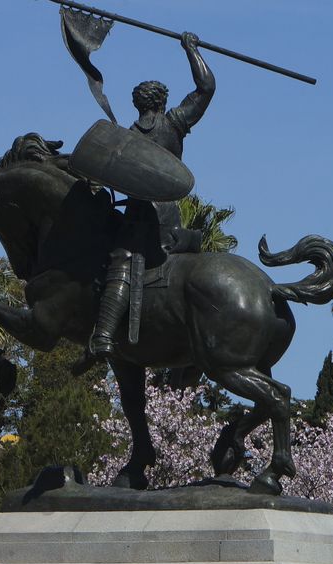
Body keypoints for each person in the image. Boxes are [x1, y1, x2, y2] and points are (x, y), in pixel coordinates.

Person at [85, 31, 216, 362]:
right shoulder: (174, 123)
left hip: (145, 221)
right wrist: (192, 50)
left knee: (120, 260)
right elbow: (206, 89)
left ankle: (102, 335)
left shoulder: (127, 138)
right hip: (167, 215)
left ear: (138, 103)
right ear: (162, 101)